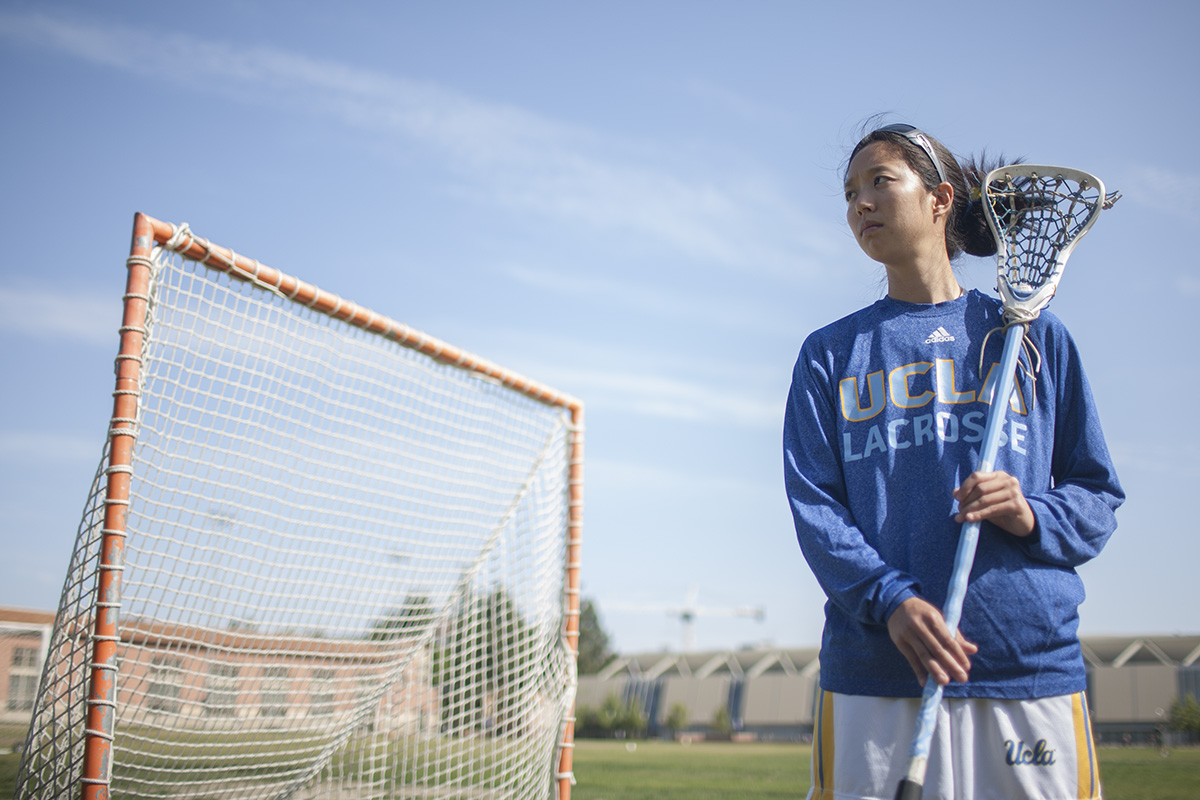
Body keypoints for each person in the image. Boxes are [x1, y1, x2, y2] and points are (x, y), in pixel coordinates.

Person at [783, 122, 1123, 800]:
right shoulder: (829, 355)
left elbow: (1097, 497)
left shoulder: (1035, 338)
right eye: (850, 193)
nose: (861, 204)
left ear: (940, 200)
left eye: (880, 181)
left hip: (1025, 667)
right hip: (876, 674)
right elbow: (815, 508)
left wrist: (1031, 511)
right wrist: (891, 602)